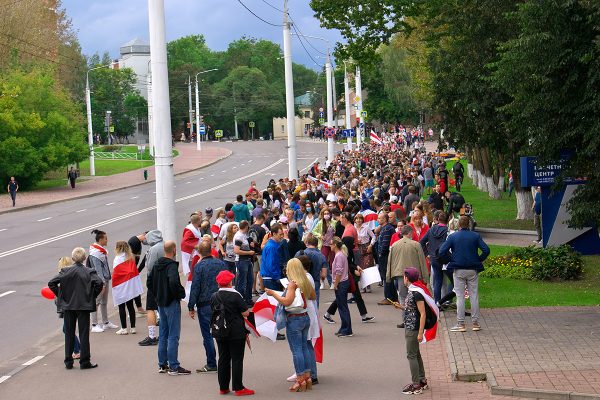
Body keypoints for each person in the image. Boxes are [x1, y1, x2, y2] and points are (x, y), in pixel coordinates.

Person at [265, 259, 317, 391]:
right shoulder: (305, 280)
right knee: (304, 347)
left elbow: (287, 301)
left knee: (296, 350)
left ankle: (300, 379)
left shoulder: (292, 284)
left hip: (294, 319)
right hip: (305, 317)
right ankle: (307, 376)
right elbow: (313, 296)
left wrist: (274, 294)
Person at [48, 247, 103, 370]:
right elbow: (99, 283)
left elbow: (51, 283)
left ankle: (68, 361)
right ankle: (84, 361)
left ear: (73, 258)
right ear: (84, 258)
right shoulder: (89, 271)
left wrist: (61, 295)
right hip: (83, 306)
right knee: (83, 334)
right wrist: (91, 295)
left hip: (68, 306)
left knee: (69, 333)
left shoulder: (65, 271)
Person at [438, 216, 490, 332]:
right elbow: (486, 250)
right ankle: (475, 322)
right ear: (469, 225)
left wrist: (452, 259)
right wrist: (478, 259)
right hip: (472, 268)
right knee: (474, 295)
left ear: (459, 225)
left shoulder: (453, 236)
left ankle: (461, 323)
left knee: (460, 296)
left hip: (458, 268)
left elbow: (442, 251)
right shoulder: (475, 236)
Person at [147, 240, 190, 375]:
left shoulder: (156, 264)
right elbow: (173, 281)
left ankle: (162, 364)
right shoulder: (171, 266)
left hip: (160, 303)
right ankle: (174, 366)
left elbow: (149, 282)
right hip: (171, 303)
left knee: (164, 334)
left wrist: (157, 294)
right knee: (173, 335)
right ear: (174, 250)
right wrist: (180, 294)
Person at [211, 270, 254, 396]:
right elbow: (245, 312)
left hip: (220, 330)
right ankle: (238, 388)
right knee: (236, 359)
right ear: (230, 282)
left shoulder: (214, 296)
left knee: (223, 358)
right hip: (236, 331)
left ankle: (223, 387)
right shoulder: (236, 295)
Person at [188, 241, 227, 373]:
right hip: (221, 301)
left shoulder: (199, 267)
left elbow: (195, 287)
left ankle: (211, 363)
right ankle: (225, 360)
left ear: (199, 252)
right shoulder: (221, 263)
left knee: (207, 335)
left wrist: (190, 306)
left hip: (204, 304)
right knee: (222, 331)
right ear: (211, 250)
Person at [393, 268, 429, 395]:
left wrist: (420, 333)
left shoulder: (416, 293)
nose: (403, 278)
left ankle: (416, 385)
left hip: (412, 328)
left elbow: (423, 313)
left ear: (406, 278)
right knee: (416, 353)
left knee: (411, 355)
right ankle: (422, 380)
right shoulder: (412, 290)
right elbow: (412, 308)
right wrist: (401, 307)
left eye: (403, 276)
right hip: (411, 326)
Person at [387, 225, 429, 327]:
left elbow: (390, 261)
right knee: (416, 296)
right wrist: (425, 277)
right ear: (410, 233)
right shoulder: (416, 244)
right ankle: (416, 319)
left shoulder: (395, 245)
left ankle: (405, 320)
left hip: (400, 274)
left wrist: (388, 276)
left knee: (402, 296)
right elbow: (422, 261)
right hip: (414, 275)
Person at [112, 241, 144, 335]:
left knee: (121, 306)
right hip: (129, 285)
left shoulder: (117, 259)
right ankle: (133, 328)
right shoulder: (130, 258)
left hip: (120, 286)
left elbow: (116, 272)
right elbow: (133, 272)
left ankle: (124, 328)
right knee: (130, 306)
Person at [88, 229, 117, 332]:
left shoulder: (100, 251)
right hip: (99, 282)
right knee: (96, 302)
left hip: (105, 280)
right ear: (100, 239)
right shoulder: (96, 253)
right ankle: (94, 324)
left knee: (104, 302)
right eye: (106, 238)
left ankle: (105, 322)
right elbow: (97, 270)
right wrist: (102, 284)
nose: (107, 240)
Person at [138, 229, 164, 346]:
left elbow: (149, 266)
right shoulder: (165, 245)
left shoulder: (154, 249)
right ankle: (164, 334)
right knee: (162, 308)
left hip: (154, 282)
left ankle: (152, 336)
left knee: (150, 308)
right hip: (164, 282)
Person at [420, 212, 449, 303]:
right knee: (454, 280)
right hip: (445, 258)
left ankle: (437, 302)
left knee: (437, 281)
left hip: (434, 258)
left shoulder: (431, 230)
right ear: (447, 220)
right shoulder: (447, 231)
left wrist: (427, 253)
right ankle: (448, 300)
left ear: (438, 219)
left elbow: (422, 242)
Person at [55, 256, 80, 361]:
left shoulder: (62, 276)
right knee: (68, 329)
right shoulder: (74, 275)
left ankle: (77, 350)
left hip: (68, 307)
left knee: (67, 329)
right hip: (76, 305)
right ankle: (78, 348)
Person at [330, 237, 352, 337]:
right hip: (344, 281)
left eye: (331, 244)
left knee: (342, 307)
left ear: (335, 245)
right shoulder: (341, 254)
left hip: (341, 283)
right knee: (342, 307)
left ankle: (346, 330)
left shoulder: (338, 256)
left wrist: (335, 285)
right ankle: (345, 327)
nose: (330, 246)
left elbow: (338, 272)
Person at [297, 235, 328, 306]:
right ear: (317, 244)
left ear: (307, 243)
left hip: (301, 281)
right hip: (315, 282)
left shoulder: (300, 253)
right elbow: (324, 274)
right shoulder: (321, 256)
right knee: (314, 304)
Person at [376, 212, 398, 306]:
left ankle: (388, 298)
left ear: (384, 219)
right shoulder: (386, 228)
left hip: (386, 256)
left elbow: (385, 245)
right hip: (386, 256)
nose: (378, 220)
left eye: (380, 218)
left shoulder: (387, 229)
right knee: (388, 277)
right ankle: (392, 297)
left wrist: (380, 254)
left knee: (386, 277)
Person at [234, 220, 255, 305]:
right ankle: (241, 301)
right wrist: (249, 253)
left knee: (250, 280)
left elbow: (244, 246)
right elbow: (236, 250)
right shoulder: (239, 236)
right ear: (246, 226)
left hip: (247, 260)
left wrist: (251, 245)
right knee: (242, 283)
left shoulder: (243, 235)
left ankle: (248, 299)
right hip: (242, 261)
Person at [260, 223, 285, 291]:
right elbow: (271, 265)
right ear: (274, 234)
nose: (282, 236)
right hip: (271, 279)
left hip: (271, 278)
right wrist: (277, 278)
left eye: (282, 234)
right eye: (280, 234)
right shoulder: (271, 247)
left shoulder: (273, 245)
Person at [127, 232, 148, 315]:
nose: (146, 242)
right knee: (135, 289)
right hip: (131, 270)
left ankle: (139, 308)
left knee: (136, 289)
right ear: (144, 236)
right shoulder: (135, 242)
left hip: (133, 270)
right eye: (146, 239)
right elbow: (131, 256)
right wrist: (135, 270)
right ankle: (137, 309)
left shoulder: (136, 241)